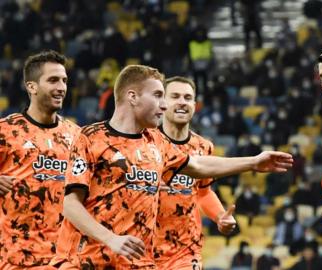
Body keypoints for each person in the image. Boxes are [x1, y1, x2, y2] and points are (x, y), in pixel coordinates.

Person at [51, 64, 293, 269]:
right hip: (86, 259)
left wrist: (252, 162)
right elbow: (70, 204)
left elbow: (197, 165)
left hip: (139, 261)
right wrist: (111, 239)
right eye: (158, 96)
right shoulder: (91, 137)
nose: (164, 105)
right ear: (132, 96)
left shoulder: (156, 141)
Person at [0, 50, 80, 269]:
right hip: (16, 258)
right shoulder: (7, 131)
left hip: (64, 259)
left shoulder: (77, 136)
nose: (62, 87)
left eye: (64, 80)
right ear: (31, 86)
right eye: (53, 80)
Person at [154, 76, 236, 269]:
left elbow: (203, 192)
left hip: (186, 251)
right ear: (163, 103)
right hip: (145, 248)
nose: (182, 102)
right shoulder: (144, 142)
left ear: (194, 104)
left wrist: (219, 216)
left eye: (188, 97)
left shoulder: (203, 146)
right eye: (175, 96)